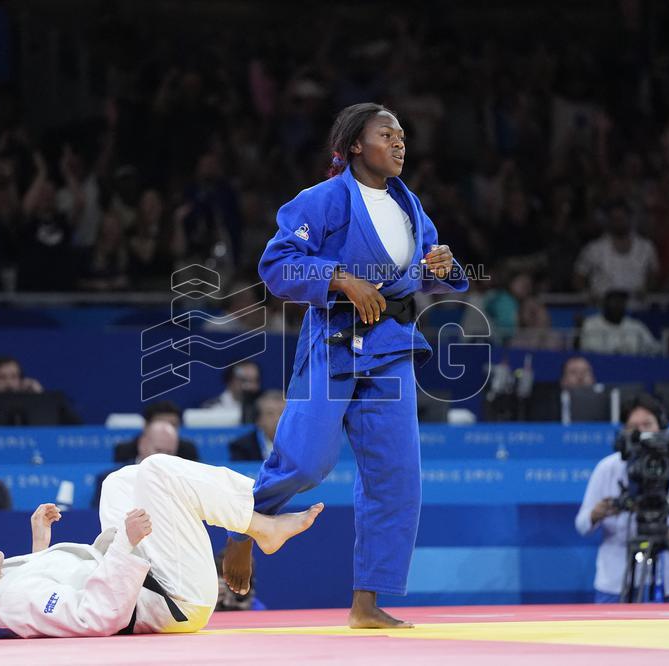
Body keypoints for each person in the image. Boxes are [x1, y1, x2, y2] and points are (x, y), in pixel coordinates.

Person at [222, 103, 467, 629]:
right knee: (307, 462)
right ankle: (243, 529)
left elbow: (421, 274)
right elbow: (276, 264)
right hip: (333, 344)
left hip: (391, 350)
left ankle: (366, 603)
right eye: (387, 134)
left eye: (403, 135)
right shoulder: (325, 199)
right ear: (356, 144)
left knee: (397, 480)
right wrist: (340, 278)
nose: (400, 143)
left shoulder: (408, 205)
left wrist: (440, 269)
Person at [0, 455, 322, 637]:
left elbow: (43, 594)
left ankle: (254, 520)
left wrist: (41, 544)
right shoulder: (13, 603)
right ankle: (258, 524)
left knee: (119, 483)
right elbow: (97, 617)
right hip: (175, 602)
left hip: (144, 583)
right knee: (158, 472)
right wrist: (126, 542)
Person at [575, 394, 669, 603]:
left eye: (648, 424)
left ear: (662, 427)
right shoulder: (608, 468)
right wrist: (595, 514)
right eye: (634, 426)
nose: (642, 432)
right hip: (615, 584)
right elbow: (582, 525)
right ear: (624, 433)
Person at [92, 421, 191, 508]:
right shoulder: (111, 479)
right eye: (158, 450)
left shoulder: (182, 483)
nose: (163, 458)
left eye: (169, 453)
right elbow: (97, 520)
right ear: (142, 444)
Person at [112, 401, 199, 463]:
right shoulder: (125, 450)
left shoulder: (187, 450)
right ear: (146, 425)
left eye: (173, 424)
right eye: (160, 423)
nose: (166, 428)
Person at [579, 290, 661, 356]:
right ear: (605, 304)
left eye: (621, 302)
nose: (618, 305)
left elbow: (654, 347)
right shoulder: (591, 323)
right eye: (614, 301)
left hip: (631, 368)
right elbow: (587, 349)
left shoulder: (636, 325)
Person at [228, 390, 285, 461]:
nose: (277, 419)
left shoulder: (300, 444)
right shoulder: (242, 447)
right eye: (270, 414)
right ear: (258, 420)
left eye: (282, 413)